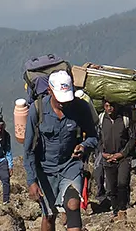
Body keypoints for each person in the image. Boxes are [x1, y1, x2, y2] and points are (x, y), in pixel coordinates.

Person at [24, 71, 100, 231]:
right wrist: (32, 181)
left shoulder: (80, 108)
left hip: (71, 166)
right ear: (49, 91)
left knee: (73, 205)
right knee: (49, 215)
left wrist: (84, 146)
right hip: (45, 170)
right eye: (60, 99)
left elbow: (93, 137)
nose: (64, 104)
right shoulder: (37, 110)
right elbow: (28, 149)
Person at [97, 101, 136, 221]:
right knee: (111, 187)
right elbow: (97, 138)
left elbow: (132, 138)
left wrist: (122, 154)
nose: (110, 108)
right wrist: (102, 152)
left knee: (122, 183)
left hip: (123, 158)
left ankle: (122, 209)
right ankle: (115, 211)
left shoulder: (125, 119)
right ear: (103, 107)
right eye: (107, 106)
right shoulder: (101, 119)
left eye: (112, 106)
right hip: (107, 158)